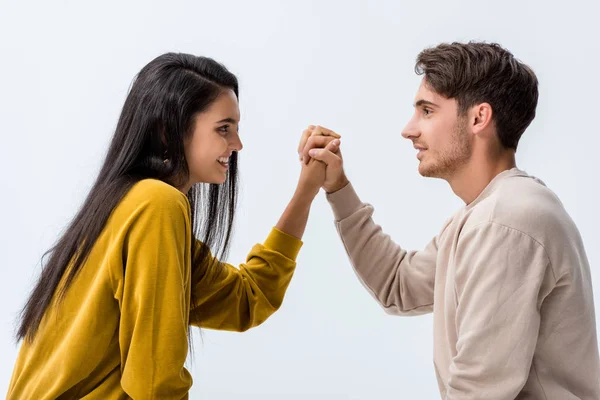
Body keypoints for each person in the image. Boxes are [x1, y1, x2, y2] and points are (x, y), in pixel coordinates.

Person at [8, 53, 340, 399]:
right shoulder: (156, 205)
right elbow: (154, 384)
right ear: (169, 132)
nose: (237, 145)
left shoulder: (134, 204)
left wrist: (306, 190)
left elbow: (247, 299)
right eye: (223, 129)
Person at [300, 42, 600, 398]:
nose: (409, 130)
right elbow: (399, 285)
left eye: (427, 111)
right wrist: (338, 186)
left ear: (478, 118)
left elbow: (477, 390)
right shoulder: (483, 216)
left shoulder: (506, 220)